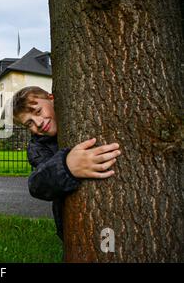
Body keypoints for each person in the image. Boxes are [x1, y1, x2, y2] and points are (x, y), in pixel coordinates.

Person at [12, 86, 121, 240]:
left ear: (51, 99)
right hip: (73, 224)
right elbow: (37, 185)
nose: (38, 123)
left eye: (38, 111)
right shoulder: (38, 147)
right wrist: (66, 166)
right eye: (29, 123)